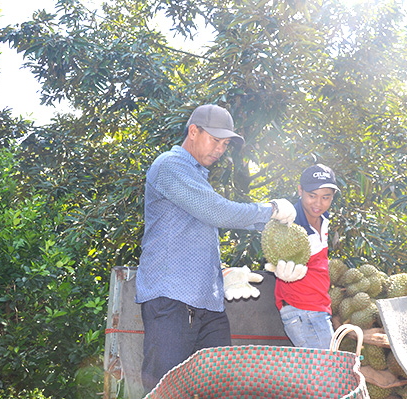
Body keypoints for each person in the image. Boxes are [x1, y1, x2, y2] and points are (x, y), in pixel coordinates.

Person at [135, 104, 297, 393]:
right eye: (215, 140)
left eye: (225, 144)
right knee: (167, 390)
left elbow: (191, 236)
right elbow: (216, 212)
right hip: (172, 300)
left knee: (220, 387)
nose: (220, 149)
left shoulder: (197, 176)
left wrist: (221, 272)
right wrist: (269, 210)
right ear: (193, 132)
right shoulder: (170, 165)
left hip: (207, 304)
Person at [266, 164, 339, 349]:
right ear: (300, 190)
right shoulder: (289, 224)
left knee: (321, 373)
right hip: (301, 309)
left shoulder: (324, 218)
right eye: (312, 196)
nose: (318, 203)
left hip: (319, 305)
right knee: (324, 372)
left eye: (326, 197)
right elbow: (274, 254)